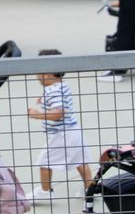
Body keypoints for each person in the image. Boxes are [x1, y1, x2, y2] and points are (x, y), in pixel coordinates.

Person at [27, 49, 94, 201]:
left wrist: (37, 114)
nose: (36, 75)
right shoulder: (61, 86)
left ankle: (45, 191)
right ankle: (90, 189)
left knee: (44, 161)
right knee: (80, 161)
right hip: (72, 131)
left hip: (61, 134)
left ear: (47, 73)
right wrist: (44, 100)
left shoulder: (53, 91)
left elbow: (58, 113)